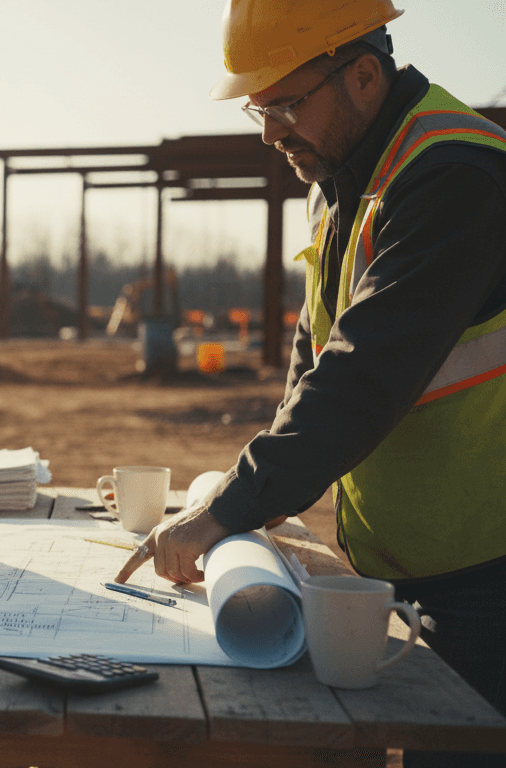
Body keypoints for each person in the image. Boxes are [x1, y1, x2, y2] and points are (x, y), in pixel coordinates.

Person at [117, 2, 506, 765]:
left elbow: (365, 374)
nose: (269, 132)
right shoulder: (342, 180)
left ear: (364, 75)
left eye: (285, 105)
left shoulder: (455, 176)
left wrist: (231, 507)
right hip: (418, 559)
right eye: (258, 110)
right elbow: (317, 357)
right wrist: (258, 497)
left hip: (491, 569)